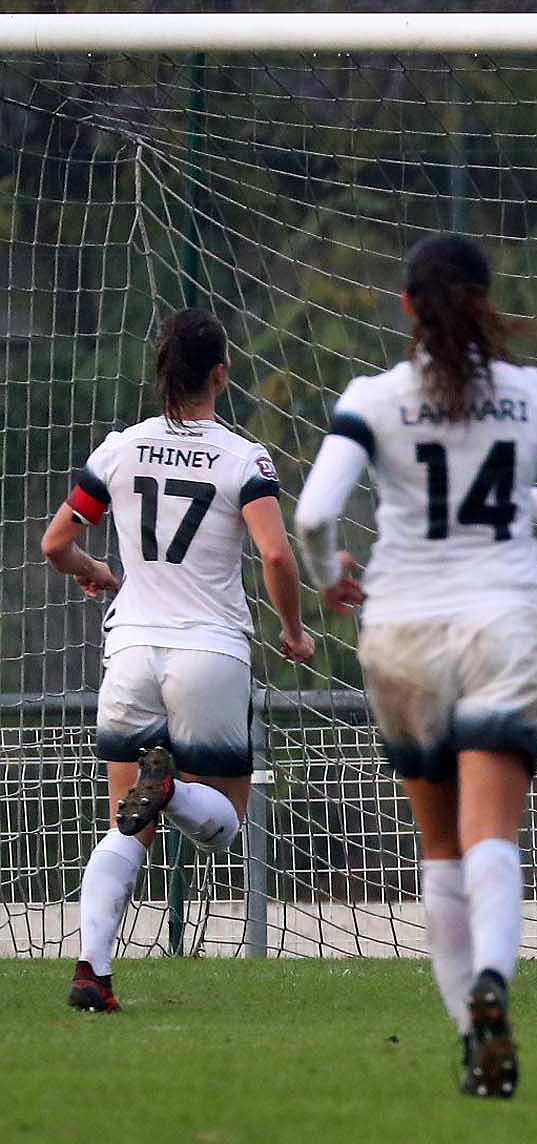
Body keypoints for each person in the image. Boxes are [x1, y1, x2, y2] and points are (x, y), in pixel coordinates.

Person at [293, 234, 537, 1098]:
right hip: (504, 625)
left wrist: (330, 578)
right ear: (485, 300)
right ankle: (495, 987)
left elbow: (316, 513)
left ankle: (468, 1035)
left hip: (399, 629)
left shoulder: (374, 397)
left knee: (438, 847)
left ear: (407, 308)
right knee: (493, 837)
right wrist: (519, 499)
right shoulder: (529, 395)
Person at [42, 308, 313, 1014]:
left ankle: (92, 972)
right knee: (223, 818)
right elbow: (276, 552)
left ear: (162, 373)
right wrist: (294, 629)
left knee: (123, 825)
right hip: (210, 650)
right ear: (220, 374)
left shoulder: (119, 449)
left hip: (130, 647)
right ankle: (173, 791)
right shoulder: (242, 457)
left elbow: (53, 545)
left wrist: (96, 568)